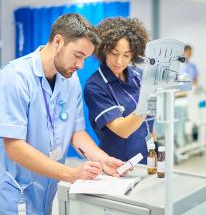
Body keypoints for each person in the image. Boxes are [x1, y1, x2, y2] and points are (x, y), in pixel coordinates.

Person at [0, 14, 128, 214]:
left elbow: (76, 132)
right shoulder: (15, 77)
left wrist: (102, 160)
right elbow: (14, 147)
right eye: (78, 55)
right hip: (16, 193)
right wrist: (70, 174)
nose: (81, 65)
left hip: (47, 191)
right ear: (58, 41)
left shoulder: (70, 80)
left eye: (85, 58)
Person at [84, 17, 154, 162]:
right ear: (104, 49)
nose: (119, 61)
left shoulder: (139, 76)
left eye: (126, 55)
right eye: (114, 53)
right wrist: (148, 102)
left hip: (148, 158)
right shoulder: (95, 85)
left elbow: (149, 122)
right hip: (117, 163)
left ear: (134, 55)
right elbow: (122, 130)